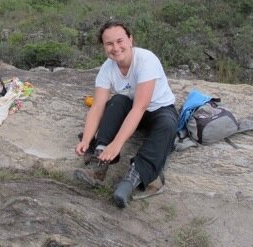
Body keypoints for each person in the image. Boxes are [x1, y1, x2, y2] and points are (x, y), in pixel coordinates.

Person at [74, 20, 179, 208]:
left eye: (120, 41)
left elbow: (140, 107)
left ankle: (133, 177)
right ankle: (99, 162)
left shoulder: (146, 60)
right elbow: (97, 106)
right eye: (109, 43)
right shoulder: (107, 68)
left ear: (130, 40)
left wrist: (117, 144)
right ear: (104, 46)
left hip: (157, 110)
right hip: (131, 107)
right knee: (116, 102)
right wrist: (86, 139)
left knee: (168, 126)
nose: (116, 48)